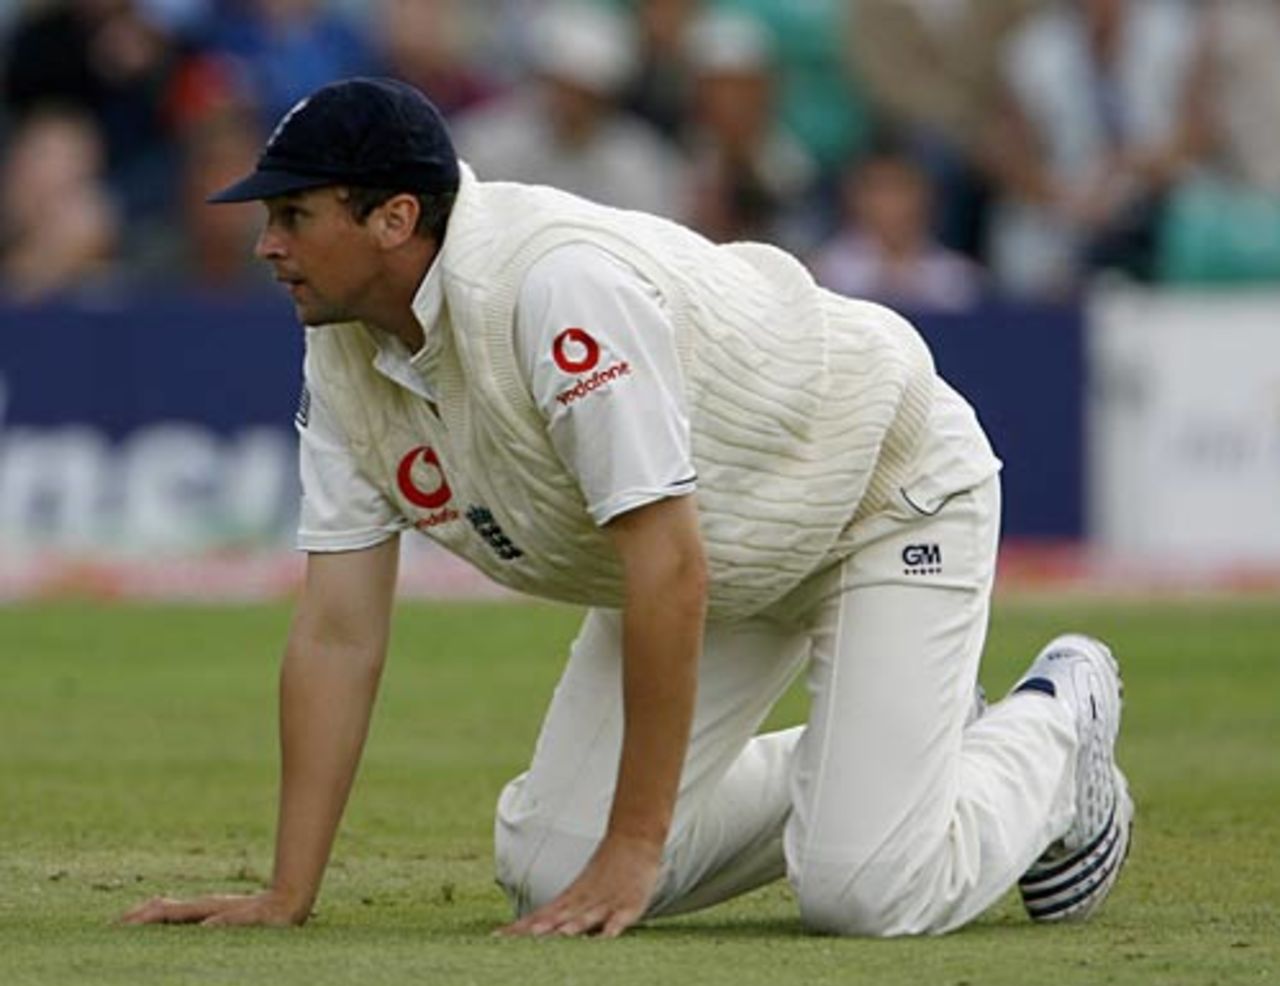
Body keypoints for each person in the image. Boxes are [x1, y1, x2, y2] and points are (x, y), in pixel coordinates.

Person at [120, 78, 1132, 938]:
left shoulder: (556, 287)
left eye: (293, 215)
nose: (265, 245)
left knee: (863, 889)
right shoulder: (345, 351)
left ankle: (1050, 729)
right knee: (552, 866)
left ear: (392, 218)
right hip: (727, 539)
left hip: (880, 487)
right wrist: (287, 892)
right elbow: (339, 629)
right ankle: (893, 751)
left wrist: (637, 847)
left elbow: (666, 566)